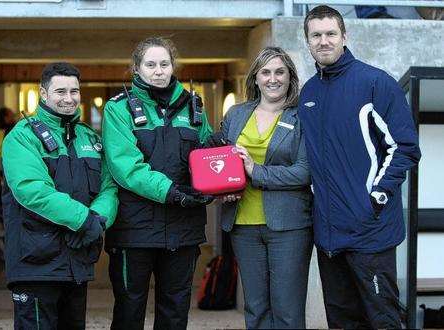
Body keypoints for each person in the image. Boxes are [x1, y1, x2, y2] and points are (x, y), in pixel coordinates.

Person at [299, 5, 421, 329]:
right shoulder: (308, 93)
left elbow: (405, 148)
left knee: (383, 319)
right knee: (341, 321)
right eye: (316, 35)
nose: (323, 41)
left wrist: (376, 196)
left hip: (371, 231)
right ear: (308, 41)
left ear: (344, 36)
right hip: (328, 236)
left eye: (330, 34)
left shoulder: (375, 84)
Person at [102, 36, 214, 330]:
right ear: (136, 68)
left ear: (173, 66)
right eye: (150, 64)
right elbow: (125, 166)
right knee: (129, 310)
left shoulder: (194, 106)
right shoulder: (118, 109)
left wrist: (217, 178)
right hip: (133, 230)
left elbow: (206, 156)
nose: (158, 71)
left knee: (175, 312)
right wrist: (172, 192)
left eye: (164, 64)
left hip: (183, 229)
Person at [2, 62, 118, 330]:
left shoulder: (89, 137)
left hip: (76, 263)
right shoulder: (22, 137)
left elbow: (109, 186)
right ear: (43, 94)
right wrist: (84, 220)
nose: (69, 98)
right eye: (60, 91)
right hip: (35, 264)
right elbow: (32, 190)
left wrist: (98, 220)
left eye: (74, 91)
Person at [218, 46, 313, 329]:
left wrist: (255, 171)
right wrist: (222, 188)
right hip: (243, 224)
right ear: (256, 78)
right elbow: (220, 160)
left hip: (289, 226)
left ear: (289, 77)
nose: (273, 79)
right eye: (266, 72)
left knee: (287, 311)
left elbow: (304, 172)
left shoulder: (301, 117)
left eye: (280, 72)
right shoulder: (236, 114)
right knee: (256, 309)